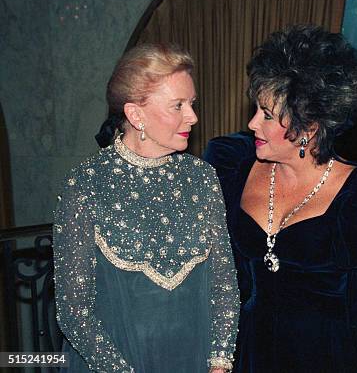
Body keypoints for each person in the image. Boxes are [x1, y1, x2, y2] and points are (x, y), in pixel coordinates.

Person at [204, 25, 357, 372]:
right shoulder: (233, 168)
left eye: (266, 115)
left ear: (308, 128)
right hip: (249, 356)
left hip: (331, 357)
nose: (252, 124)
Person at [53, 43, 239, 372]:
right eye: (178, 105)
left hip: (194, 360)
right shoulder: (86, 185)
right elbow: (73, 311)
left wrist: (220, 363)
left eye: (192, 103)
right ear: (136, 114)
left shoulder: (202, 177)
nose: (193, 117)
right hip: (114, 363)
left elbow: (223, 284)